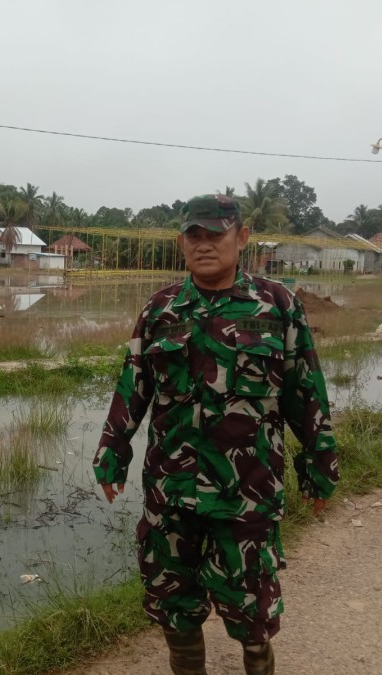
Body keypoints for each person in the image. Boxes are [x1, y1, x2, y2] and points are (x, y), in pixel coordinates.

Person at [93, 194, 339, 675]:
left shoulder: (277, 305)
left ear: (241, 237)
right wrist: (111, 451)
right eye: (194, 236)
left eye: (215, 234)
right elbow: (133, 385)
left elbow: (305, 389)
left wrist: (320, 461)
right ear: (182, 242)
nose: (204, 245)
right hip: (170, 489)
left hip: (246, 492)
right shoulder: (161, 309)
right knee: (171, 599)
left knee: (252, 607)